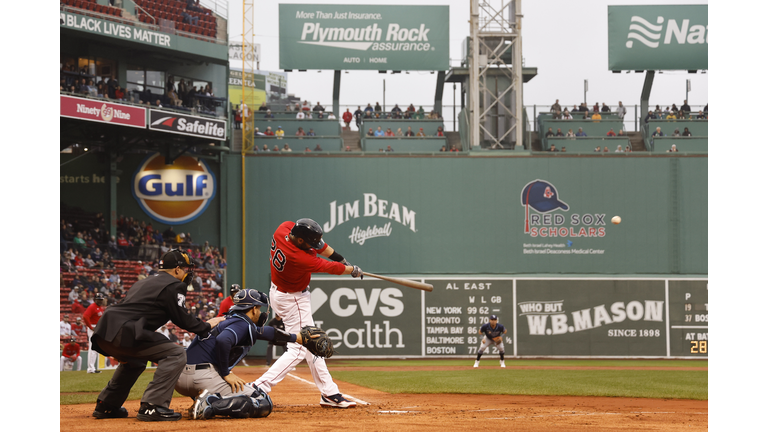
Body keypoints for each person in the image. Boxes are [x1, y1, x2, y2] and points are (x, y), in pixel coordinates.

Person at [89, 249, 225, 421]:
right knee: (175, 354)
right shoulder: (174, 285)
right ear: (177, 269)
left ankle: (107, 405)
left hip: (105, 331)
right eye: (186, 269)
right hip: (124, 331)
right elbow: (182, 318)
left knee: (135, 362)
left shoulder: (144, 282)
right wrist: (206, 325)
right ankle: (152, 406)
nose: (188, 273)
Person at [248, 219, 363, 409]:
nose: (314, 246)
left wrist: (341, 258)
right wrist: (351, 269)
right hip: (293, 299)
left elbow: (322, 247)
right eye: (310, 242)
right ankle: (258, 387)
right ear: (300, 240)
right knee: (301, 347)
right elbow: (328, 267)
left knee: (313, 342)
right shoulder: (298, 257)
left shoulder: (283, 228)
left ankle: (329, 392)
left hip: (281, 292)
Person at [178, 289, 298, 420]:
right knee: (262, 401)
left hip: (180, 378)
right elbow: (223, 340)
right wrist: (226, 373)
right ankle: (209, 404)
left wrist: (297, 338)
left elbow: (266, 332)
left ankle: (202, 399)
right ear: (253, 309)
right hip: (202, 378)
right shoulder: (241, 324)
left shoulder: (227, 320)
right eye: (259, 309)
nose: (260, 313)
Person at [83, 293, 107, 374]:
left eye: (101, 299)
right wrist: (90, 327)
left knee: (95, 348)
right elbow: (85, 316)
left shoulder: (99, 307)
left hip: (97, 327)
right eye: (98, 299)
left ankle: (92, 367)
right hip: (93, 327)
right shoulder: (92, 306)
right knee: (92, 348)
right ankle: (90, 368)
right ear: (95, 299)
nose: (100, 301)